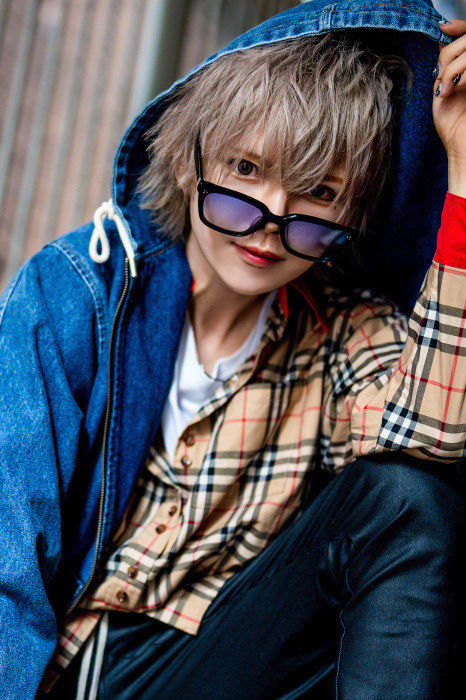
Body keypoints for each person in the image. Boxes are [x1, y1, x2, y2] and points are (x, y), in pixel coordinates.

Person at [0, 1, 465, 698]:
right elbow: (8, 551)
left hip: (212, 662)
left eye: (318, 192)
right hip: (74, 668)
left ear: (353, 213)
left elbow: (430, 442)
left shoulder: (342, 333)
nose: (270, 222)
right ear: (190, 161)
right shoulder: (77, 296)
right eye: (246, 169)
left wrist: (464, 175)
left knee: (408, 498)